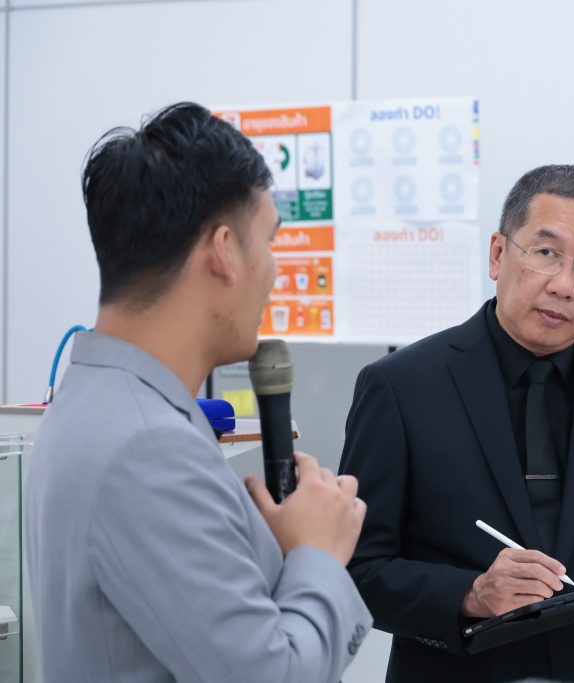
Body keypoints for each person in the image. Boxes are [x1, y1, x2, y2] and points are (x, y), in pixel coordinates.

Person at [25, 102, 371, 682]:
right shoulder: (148, 448)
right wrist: (318, 552)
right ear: (224, 251)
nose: (274, 271)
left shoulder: (92, 398)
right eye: (269, 242)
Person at [339, 165, 574, 682]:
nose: (564, 285)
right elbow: (358, 568)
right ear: (497, 254)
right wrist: (469, 594)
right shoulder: (400, 387)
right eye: (545, 253)